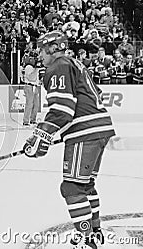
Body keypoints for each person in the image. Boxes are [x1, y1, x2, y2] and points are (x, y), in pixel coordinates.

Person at [23, 31, 115, 249]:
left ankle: (86, 239)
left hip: (85, 132)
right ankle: (94, 232)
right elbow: (94, 95)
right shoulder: (74, 63)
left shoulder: (58, 66)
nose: (39, 55)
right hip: (98, 129)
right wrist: (45, 133)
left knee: (72, 188)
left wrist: (42, 135)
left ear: (53, 48)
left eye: (42, 50)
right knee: (85, 185)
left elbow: (62, 109)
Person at [21, 46, 40, 126]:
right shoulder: (29, 67)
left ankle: (33, 119)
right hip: (29, 86)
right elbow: (31, 78)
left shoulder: (35, 67)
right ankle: (26, 121)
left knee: (36, 104)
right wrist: (36, 69)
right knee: (29, 104)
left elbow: (35, 78)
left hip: (35, 86)